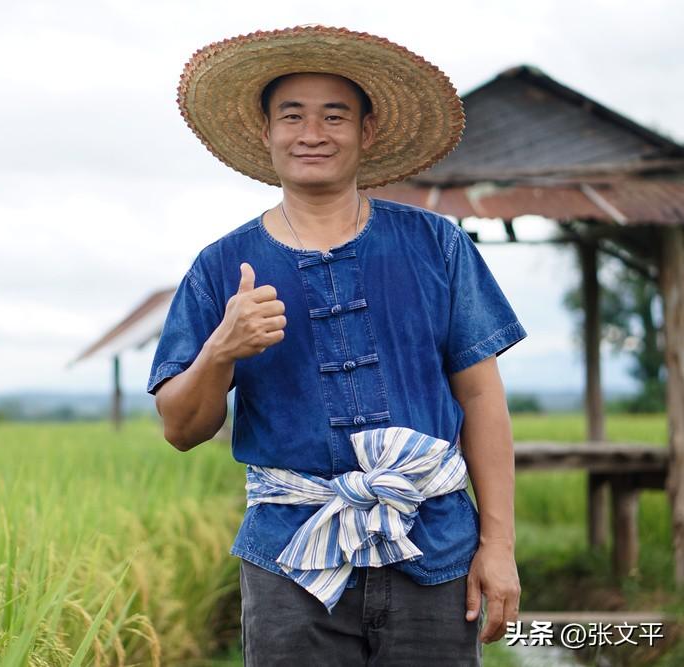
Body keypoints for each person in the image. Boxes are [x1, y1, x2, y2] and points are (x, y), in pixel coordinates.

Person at [147, 26, 527, 666]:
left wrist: (498, 545)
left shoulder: (439, 246)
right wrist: (221, 349)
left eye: (335, 116)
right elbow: (181, 428)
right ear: (266, 132)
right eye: (291, 116)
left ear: (367, 132)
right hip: (291, 563)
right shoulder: (221, 267)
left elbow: (483, 399)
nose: (312, 133)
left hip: (432, 549)